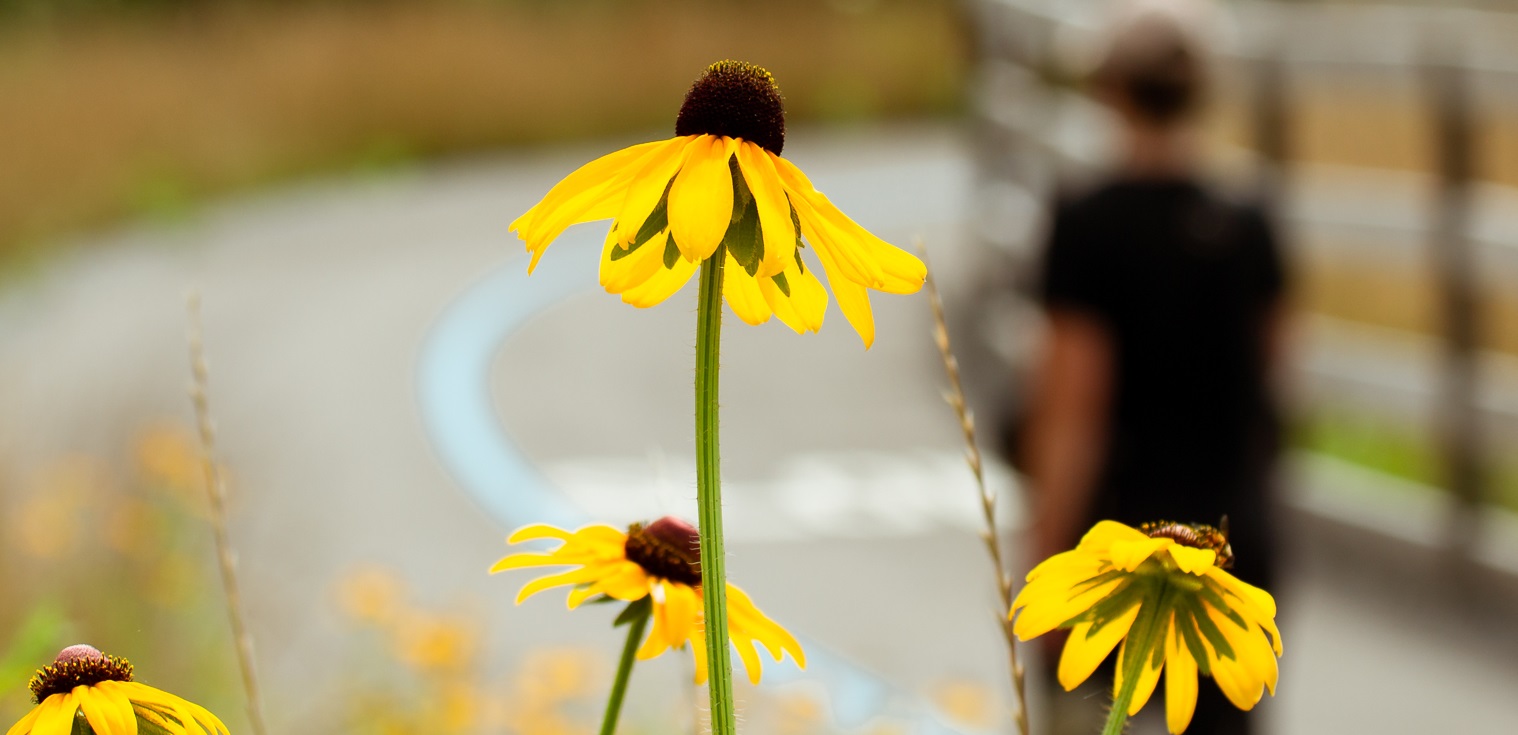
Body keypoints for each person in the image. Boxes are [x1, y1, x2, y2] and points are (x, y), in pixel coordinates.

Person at [1020, 2, 1289, 733]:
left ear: (1109, 89)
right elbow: (1275, 369)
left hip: (1118, 544)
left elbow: (1074, 406)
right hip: (1234, 542)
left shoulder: (1089, 222)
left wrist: (1045, 549)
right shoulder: (1249, 218)